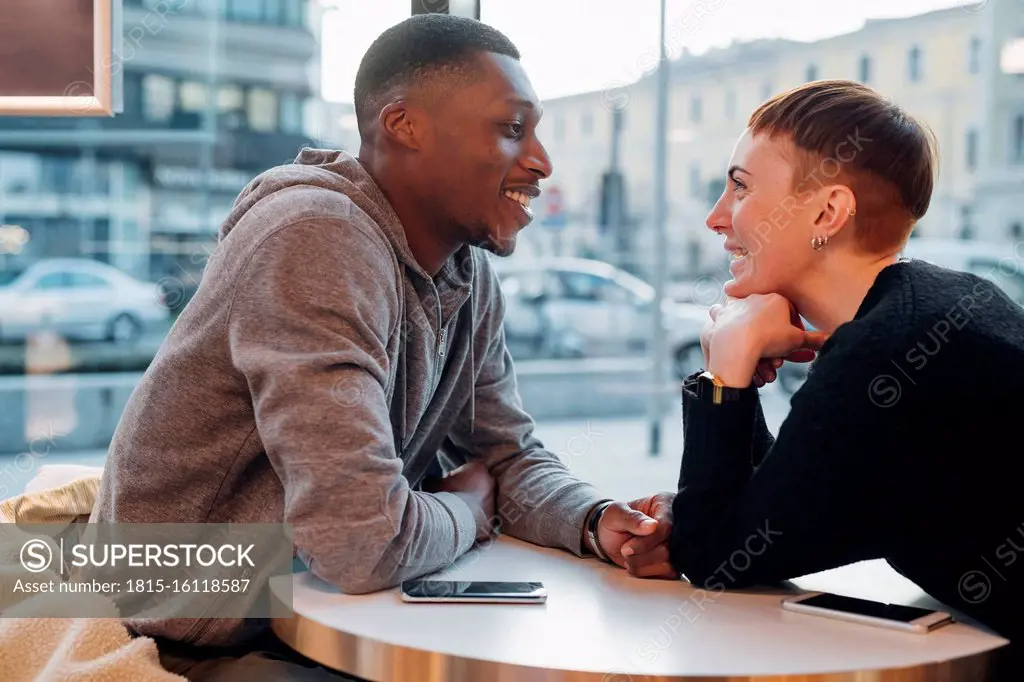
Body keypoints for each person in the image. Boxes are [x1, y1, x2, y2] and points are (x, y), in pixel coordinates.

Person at [90, 14, 674, 681]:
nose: (542, 161)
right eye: (513, 129)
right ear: (403, 126)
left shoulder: (467, 274)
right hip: (181, 621)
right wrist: (466, 512)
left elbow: (503, 457)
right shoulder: (314, 235)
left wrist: (597, 521)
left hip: (288, 603)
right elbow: (361, 541)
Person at [642, 80, 1023, 674]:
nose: (716, 218)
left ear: (827, 212)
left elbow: (719, 557)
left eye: (740, 187)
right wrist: (735, 380)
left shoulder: (886, 353)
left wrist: (727, 368)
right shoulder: (948, 304)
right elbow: (783, 508)